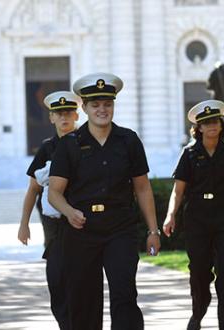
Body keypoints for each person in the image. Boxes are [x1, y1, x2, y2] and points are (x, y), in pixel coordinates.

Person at [48, 73, 161, 330]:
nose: (102, 110)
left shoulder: (129, 140)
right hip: (81, 230)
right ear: (84, 108)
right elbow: (54, 192)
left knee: (124, 294)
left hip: (120, 228)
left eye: (107, 104)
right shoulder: (69, 145)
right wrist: (69, 212)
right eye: (95, 105)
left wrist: (153, 230)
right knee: (84, 301)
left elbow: (142, 188)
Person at [163, 100, 224, 330]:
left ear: (222, 125)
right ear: (199, 128)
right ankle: (198, 311)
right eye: (206, 123)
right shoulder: (190, 154)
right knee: (200, 272)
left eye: (215, 121)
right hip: (197, 219)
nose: (212, 126)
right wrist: (170, 215)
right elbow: (178, 190)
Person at [17, 90, 80, 329]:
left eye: (68, 113)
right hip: (54, 229)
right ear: (51, 118)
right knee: (56, 282)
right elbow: (33, 189)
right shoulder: (47, 148)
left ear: (76, 115)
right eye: (58, 114)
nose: (64, 118)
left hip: (82, 224)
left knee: (80, 285)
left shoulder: (87, 142)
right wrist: (23, 224)